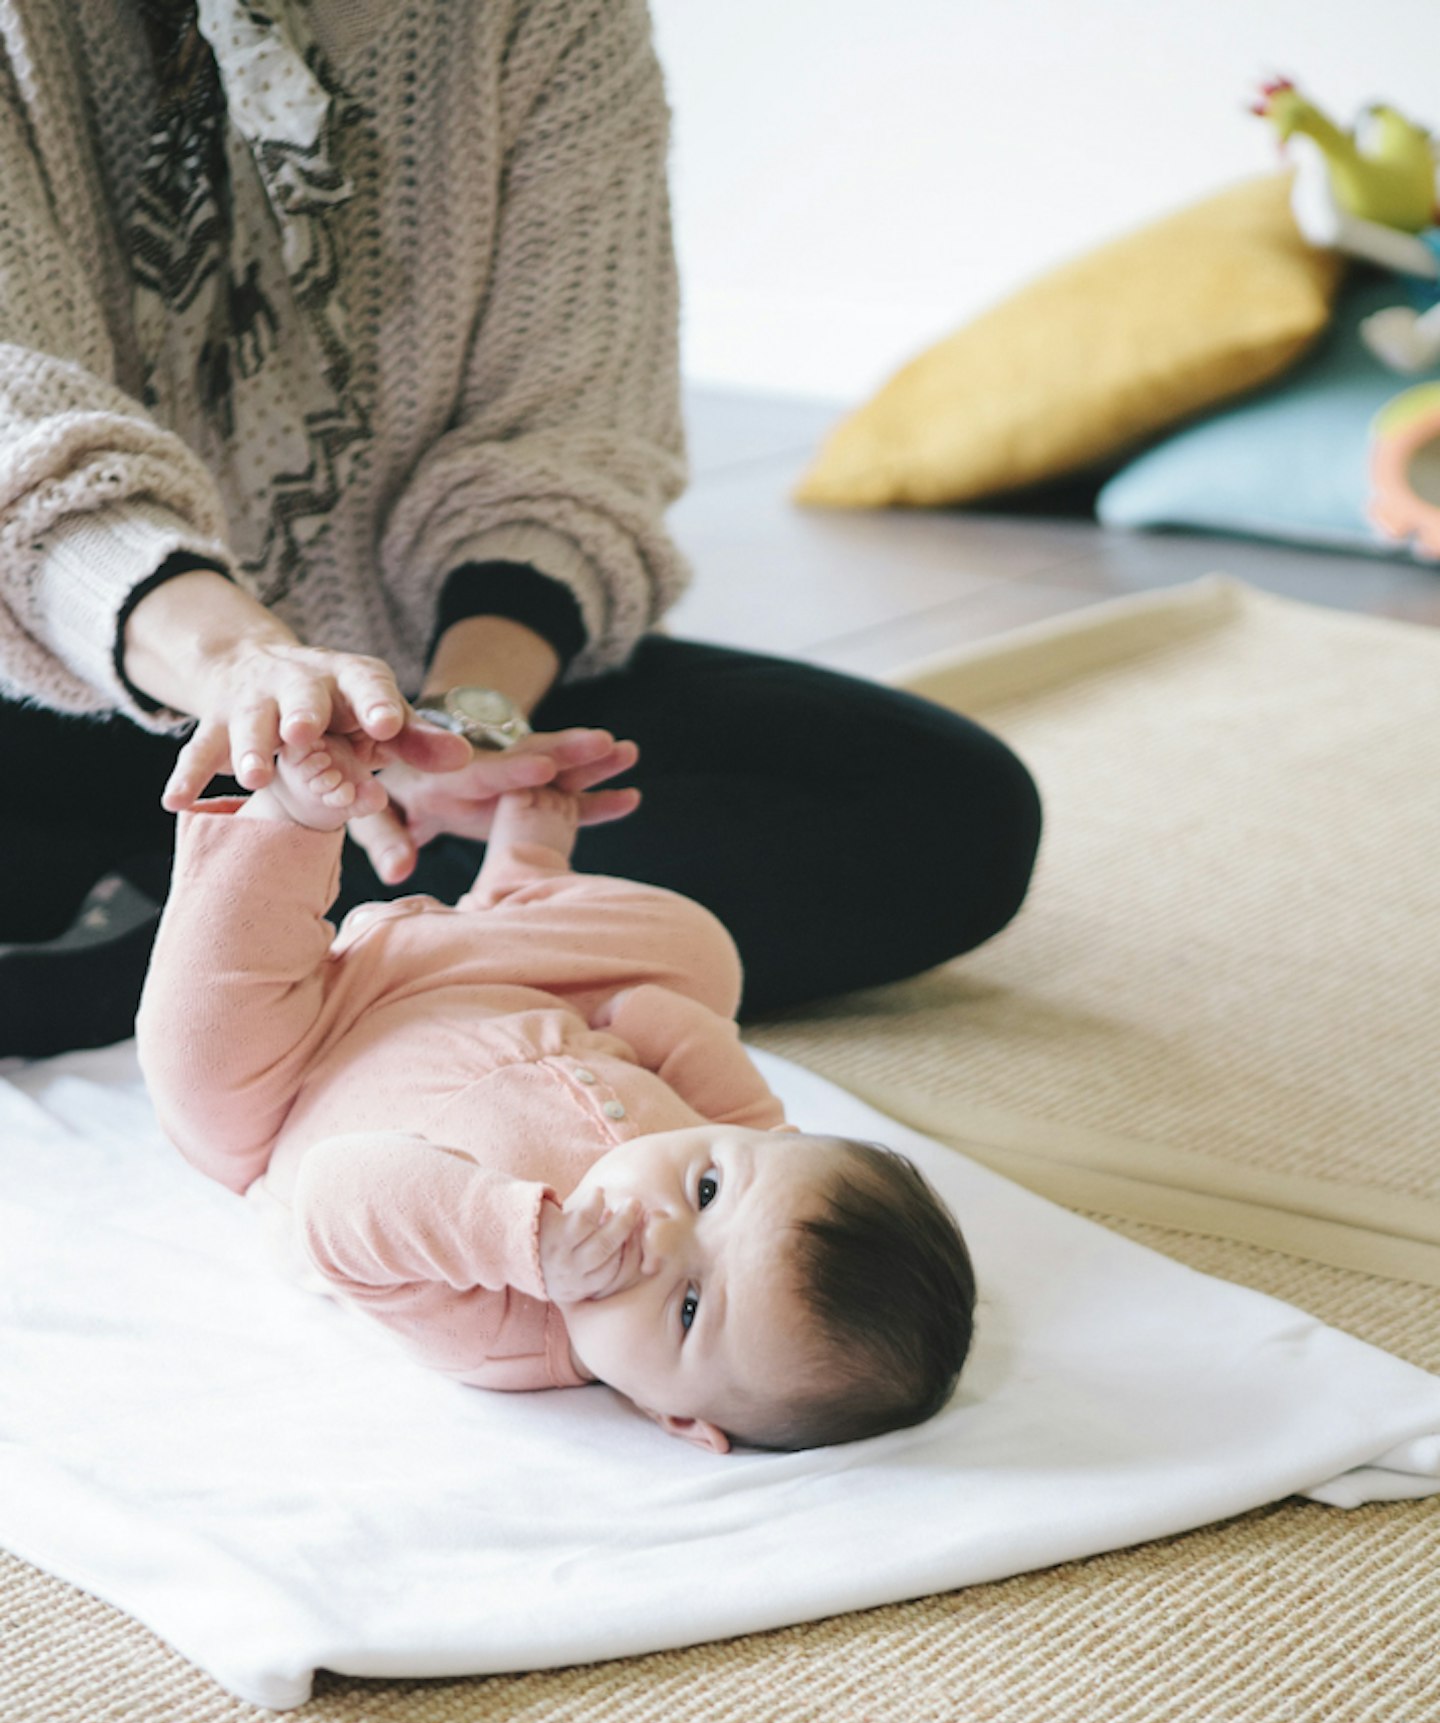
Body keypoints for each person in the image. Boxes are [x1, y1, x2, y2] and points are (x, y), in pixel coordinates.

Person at [0, 0, 1040, 1059]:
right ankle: (314, 945)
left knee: (940, 817)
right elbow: (13, 428)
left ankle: (205, 956)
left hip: (398, 709)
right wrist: (239, 665)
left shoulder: (557, 17)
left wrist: (455, 732)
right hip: (65, 679)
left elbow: (566, 443)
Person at [135, 725, 976, 1453]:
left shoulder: (500, 1336)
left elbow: (336, 1193)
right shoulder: (736, 1133)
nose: (662, 1229)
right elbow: (652, 1010)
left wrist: (523, 1240)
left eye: (687, 1308)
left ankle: (285, 825)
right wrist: (695, 1067)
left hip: (289, 1076)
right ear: (778, 1146)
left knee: (194, 1054)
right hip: (489, 982)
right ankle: (516, 883)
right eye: (710, 1189)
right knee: (702, 954)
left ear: (672, 1415)